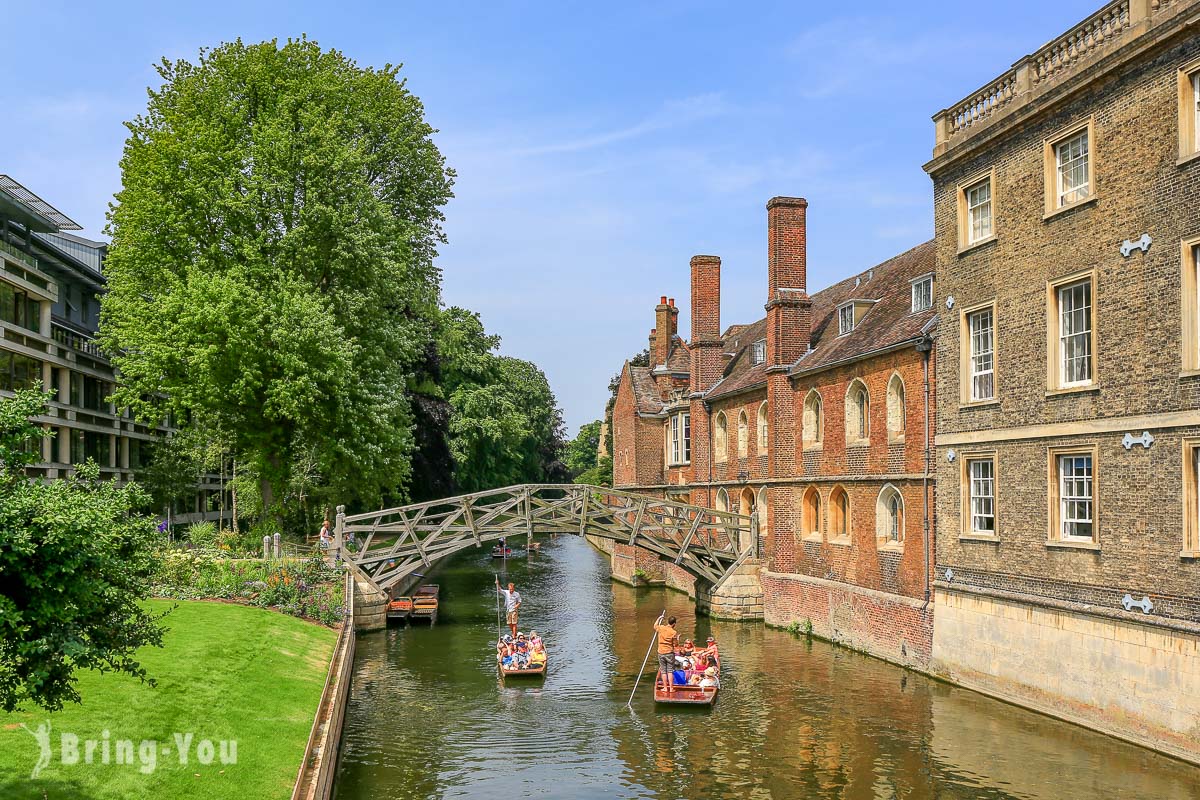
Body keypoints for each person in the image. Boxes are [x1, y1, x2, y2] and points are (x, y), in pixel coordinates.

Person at [654, 615, 680, 694]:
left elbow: (655, 625)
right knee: (669, 671)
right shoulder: (673, 632)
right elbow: (675, 645)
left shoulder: (661, 628)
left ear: (668, 622)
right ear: (674, 624)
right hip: (669, 653)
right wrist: (678, 639)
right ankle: (671, 688)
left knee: (663, 671)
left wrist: (659, 618)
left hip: (661, 652)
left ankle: (665, 688)